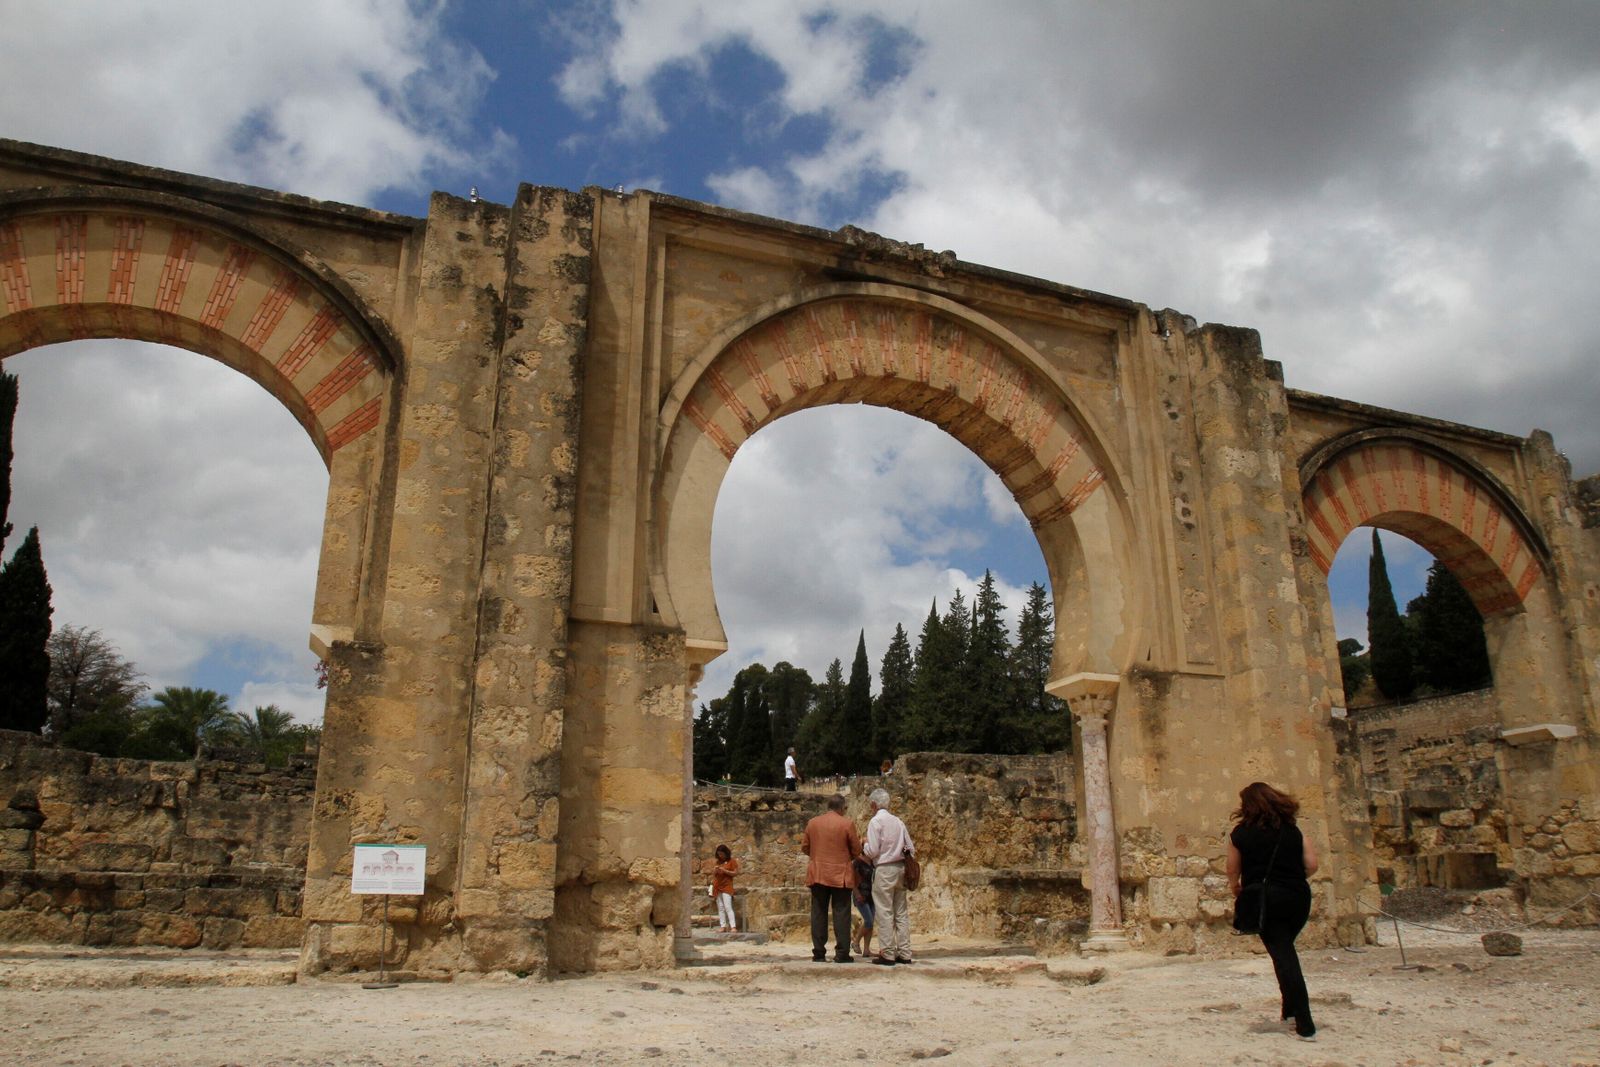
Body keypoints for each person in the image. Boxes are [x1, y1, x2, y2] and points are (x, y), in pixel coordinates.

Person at [1227, 781, 1320, 1042]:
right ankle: (1289, 1011)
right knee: (1284, 950)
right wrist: (1291, 878)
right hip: (1298, 897)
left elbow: (1232, 869)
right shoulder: (1294, 831)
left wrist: (1237, 889)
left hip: (1266, 899)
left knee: (1284, 956)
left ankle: (1305, 1022)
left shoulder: (1240, 834)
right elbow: (1312, 865)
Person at [801, 794, 860, 962]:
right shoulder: (847, 823)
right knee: (842, 913)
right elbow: (856, 850)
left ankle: (818, 952)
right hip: (840, 874)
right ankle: (842, 953)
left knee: (818, 912)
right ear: (842, 808)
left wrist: (818, 856)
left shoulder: (813, 823)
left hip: (818, 872)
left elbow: (805, 847)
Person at [862, 787, 915, 965]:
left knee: (884, 911)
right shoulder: (898, 822)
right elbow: (911, 848)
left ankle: (887, 952)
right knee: (901, 912)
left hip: (884, 869)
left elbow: (873, 851)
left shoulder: (875, 822)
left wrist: (864, 846)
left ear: (873, 804)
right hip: (900, 868)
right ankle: (905, 952)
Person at [711, 844, 740, 933]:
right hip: (717, 886)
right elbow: (714, 875)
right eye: (719, 854)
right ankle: (722, 926)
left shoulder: (732, 861)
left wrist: (725, 871)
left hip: (727, 886)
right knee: (720, 907)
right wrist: (716, 870)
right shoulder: (718, 862)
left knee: (728, 906)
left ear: (726, 853)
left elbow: (735, 873)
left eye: (722, 854)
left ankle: (733, 927)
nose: (720, 856)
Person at [851, 856, 875, 958]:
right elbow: (852, 879)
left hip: (872, 896)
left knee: (870, 923)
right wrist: (856, 893)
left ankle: (866, 950)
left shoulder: (874, 862)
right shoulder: (857, 862)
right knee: (869, 921)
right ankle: (856, 942)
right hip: (861, 895)